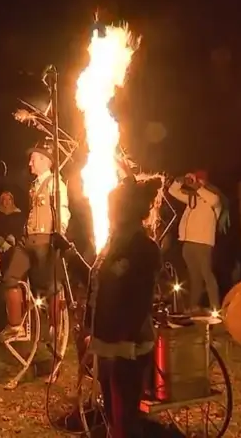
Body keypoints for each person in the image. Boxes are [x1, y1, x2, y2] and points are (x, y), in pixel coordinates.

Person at [87, 176, 163, 438]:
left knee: (124, 419)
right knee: (111, 414)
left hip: (128, 347)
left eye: (112, 207)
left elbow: (140, 300)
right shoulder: (114, 243)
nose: (108, 212)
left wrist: (124, 340)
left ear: (126, 210)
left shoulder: (144, 247)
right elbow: (99, 283)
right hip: (108, 343)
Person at [0, 139, 70, 342]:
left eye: (33, 159)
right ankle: (15, 326)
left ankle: (56, 331)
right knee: (10, 277)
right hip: (28, 240)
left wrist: (59, 233)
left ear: (45, 160)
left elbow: (63, 211)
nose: (30, 164)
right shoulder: (34, 186)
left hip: (46, 240)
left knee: (51, 287)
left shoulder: (56, 183)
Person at [168, 170, 222, 313]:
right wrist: (180, 180)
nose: (194, 183)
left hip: (203, 243)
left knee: (207, 275)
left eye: (199, 180)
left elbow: (213, 200)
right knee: (194, 276)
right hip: (188, 242)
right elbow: (173, 191)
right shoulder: (193, 198)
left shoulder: (213, 198)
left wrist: (197, 186)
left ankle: (215, 307)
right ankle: (193, 306)